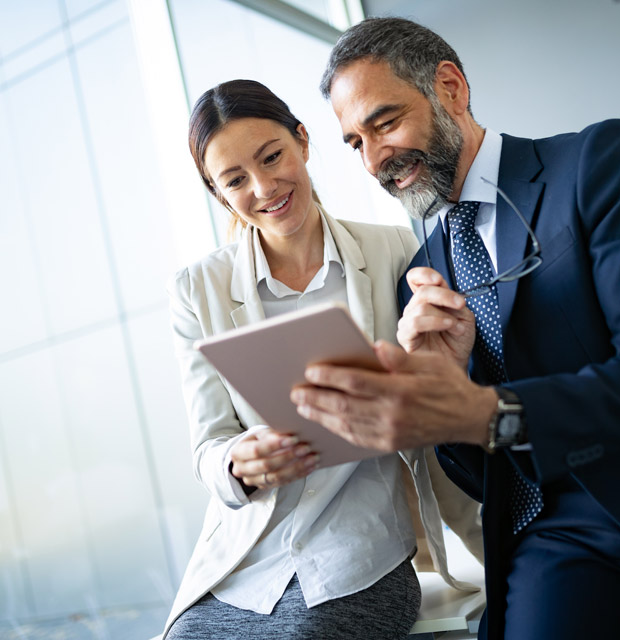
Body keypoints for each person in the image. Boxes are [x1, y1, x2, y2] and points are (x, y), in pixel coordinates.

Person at [287, 17, 620, 640]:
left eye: (385, 123)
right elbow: (483, 474)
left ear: (450, 87)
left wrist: (482, 409)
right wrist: (441, 382)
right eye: (354, 143)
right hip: (565, 533)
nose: (374, 160)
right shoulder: (422, 276)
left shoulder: (595, 162)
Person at [159, 79, 482, 640]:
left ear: (304, 142)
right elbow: (207, 448)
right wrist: (240, 461)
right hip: (246, 564)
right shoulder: (197, 290)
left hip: (359, 555)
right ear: (218, 194)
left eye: (272, 156)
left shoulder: (395, 252)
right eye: (236, 180)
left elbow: (447, 388)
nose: (263, 187)